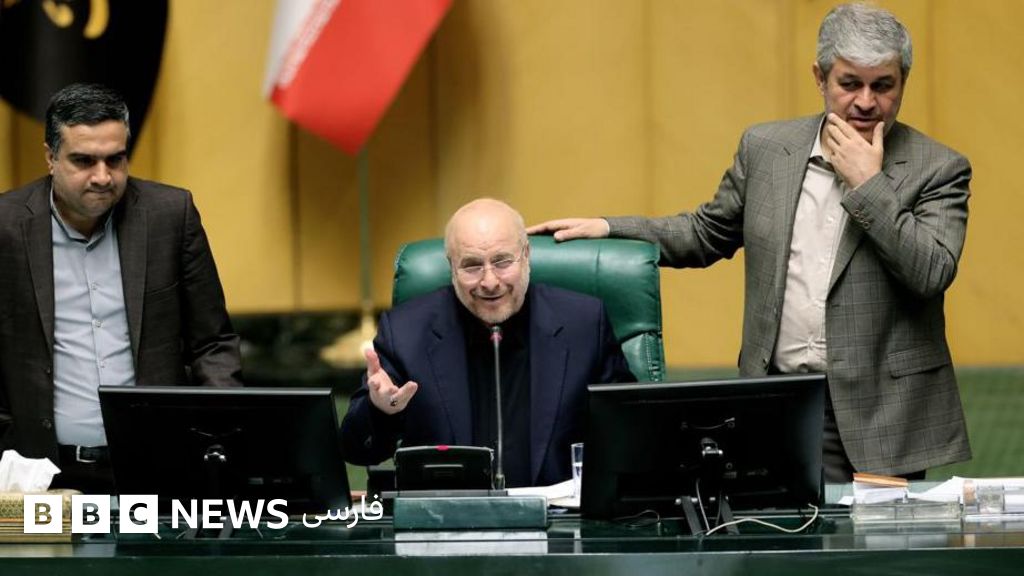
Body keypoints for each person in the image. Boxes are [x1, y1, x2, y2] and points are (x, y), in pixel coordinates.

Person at [528, 3, 971, 482]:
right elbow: (705, 233)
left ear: (903, 82)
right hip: (776, 399)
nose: (866, 102)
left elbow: (930, 272)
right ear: (820, 78)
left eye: (883, 85)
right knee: (768, 526)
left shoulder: (938, 168)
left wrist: (868, 186)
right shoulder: (766, 150)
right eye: (850, 83)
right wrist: (610, 228)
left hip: (882, 410)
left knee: (873, 535)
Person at [0, 83, 242, 492]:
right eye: (83, 161)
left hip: (158, 463)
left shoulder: (170, 216)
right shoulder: (6, 227)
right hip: (38, 472)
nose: (102, 177)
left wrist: (218, 434)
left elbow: (212, 343)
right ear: (50, 158)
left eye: (115, 159)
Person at [341, 198, 635, 488]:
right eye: (471, 266)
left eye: (502, 261)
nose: (490, 281)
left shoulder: (584, 324)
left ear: (526, 255)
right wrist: (381, 410)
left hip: (558, 515)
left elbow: (631, 434)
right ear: (451, 267)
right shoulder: (406, 331)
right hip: (447, 515)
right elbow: (357, 450)